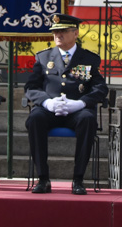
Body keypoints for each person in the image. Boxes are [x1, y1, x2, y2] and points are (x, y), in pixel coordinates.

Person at [24, 13, 108, 195]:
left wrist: (81, 104)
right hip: (50, 110)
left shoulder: (88, 59)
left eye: (62, 31)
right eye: (55, 32)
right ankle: (43, 178)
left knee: (88, 119)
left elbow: (100, 88)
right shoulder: (44, 57)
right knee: (34, 119)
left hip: (76, 111)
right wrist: (47, 102)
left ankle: (78, 179)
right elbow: (31, 86)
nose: (58, 36)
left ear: (75, 33)